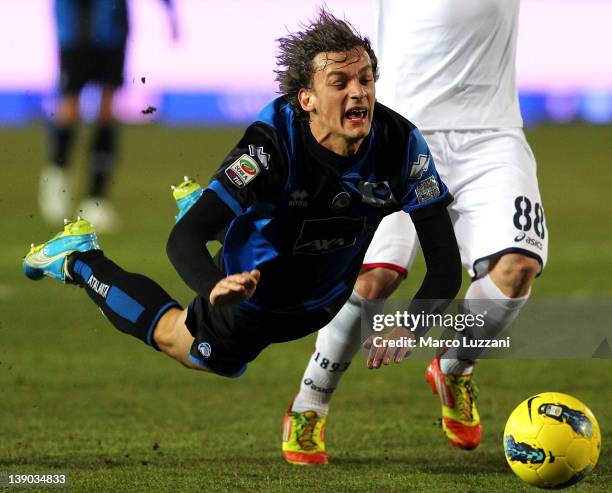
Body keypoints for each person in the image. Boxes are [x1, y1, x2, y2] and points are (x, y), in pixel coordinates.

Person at [24, 10, 461, 434]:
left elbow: (444, 263)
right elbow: (184, 238)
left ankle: (220, 217)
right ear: (306, 98)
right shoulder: (272, 142)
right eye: (340, 82)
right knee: (190, 347)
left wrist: (411, 324)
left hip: (322, 302)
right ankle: (81, 259)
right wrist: (213, 286)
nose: (359, 92)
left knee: (275, 223)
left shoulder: (400, 143)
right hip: (252, 298)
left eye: (366, 79)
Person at [283, 0, 548, 465]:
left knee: (518, 267)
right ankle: (310, 403)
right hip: (399, 132)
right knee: (373, 281)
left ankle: (454, 367)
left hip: (490, 134)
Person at [40, 0, 177, 232]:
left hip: (113, 27)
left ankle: (96, 199)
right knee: (70, 104)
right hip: (75, 27)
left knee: (107, 109)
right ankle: (57, 176)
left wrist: (169, 11)